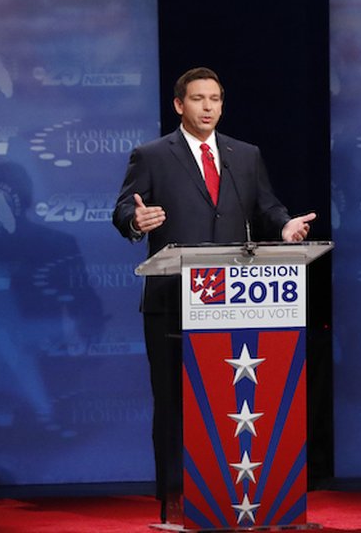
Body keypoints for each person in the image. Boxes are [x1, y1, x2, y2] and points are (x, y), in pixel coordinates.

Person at [112, 67, 315, 522]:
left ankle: (232, 495)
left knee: (231, 399)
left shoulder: (245, 155)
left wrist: (284, 226)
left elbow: (266, 206)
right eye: (199, 98)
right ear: (179, 105)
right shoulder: (151, 155)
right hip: (171, 298)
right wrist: (134, 221)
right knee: (173, 402)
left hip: (234, 301)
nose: (208, 107)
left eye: (216, 99)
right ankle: (175, 498)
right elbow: (125, 207)